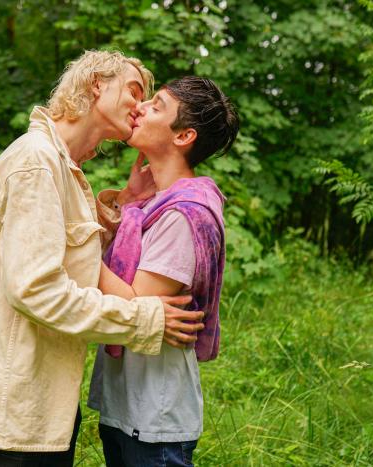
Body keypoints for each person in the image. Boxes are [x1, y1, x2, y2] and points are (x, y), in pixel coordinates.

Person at [0, 51, 206, 467]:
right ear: (97, 85)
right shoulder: (37, 163)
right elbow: (38, 291)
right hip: (16, 419)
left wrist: (126, 200)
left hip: (45, 407)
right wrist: (144, 320)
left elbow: (74, 253)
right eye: (134, 91)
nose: (140, 107)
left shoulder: (64, 167)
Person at [88, 76, 240, 467]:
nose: (139, 108)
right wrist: (127, 200)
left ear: (183, 136)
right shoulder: (153, 204)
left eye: (156, 106)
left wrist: (74, 245)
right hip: (127, 406)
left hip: (155, 416)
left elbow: (136, 305)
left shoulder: (182, 215)